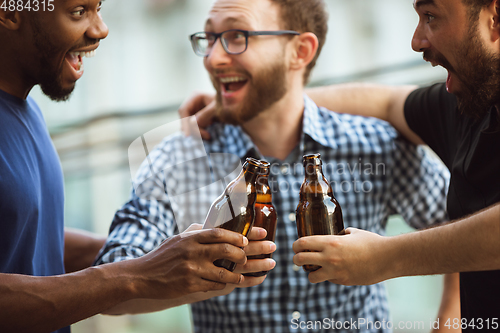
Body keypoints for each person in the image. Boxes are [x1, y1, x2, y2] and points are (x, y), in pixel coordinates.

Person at [96, 0, 458, 331]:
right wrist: (193, 270)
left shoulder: (374, 145)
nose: (213, 59)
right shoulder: (179, 159)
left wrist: (449, 322)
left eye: (237, 36)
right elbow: (113, 286)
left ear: (299, 51)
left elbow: (460, 232)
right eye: (208, 38)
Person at [0, 2, 264, 332]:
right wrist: (134, 276)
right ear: (10, 12)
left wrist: (158, 255)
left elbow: (25, 235)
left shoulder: (27, 111)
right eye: (78, 11)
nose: (101, 29)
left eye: (98, 8)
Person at [291, 0, 500, 328]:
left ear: (495, 18)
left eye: (431, 16)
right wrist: (254, 108)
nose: (417, 41)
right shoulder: (472, 104)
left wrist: (384, 258)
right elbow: (387, 102)